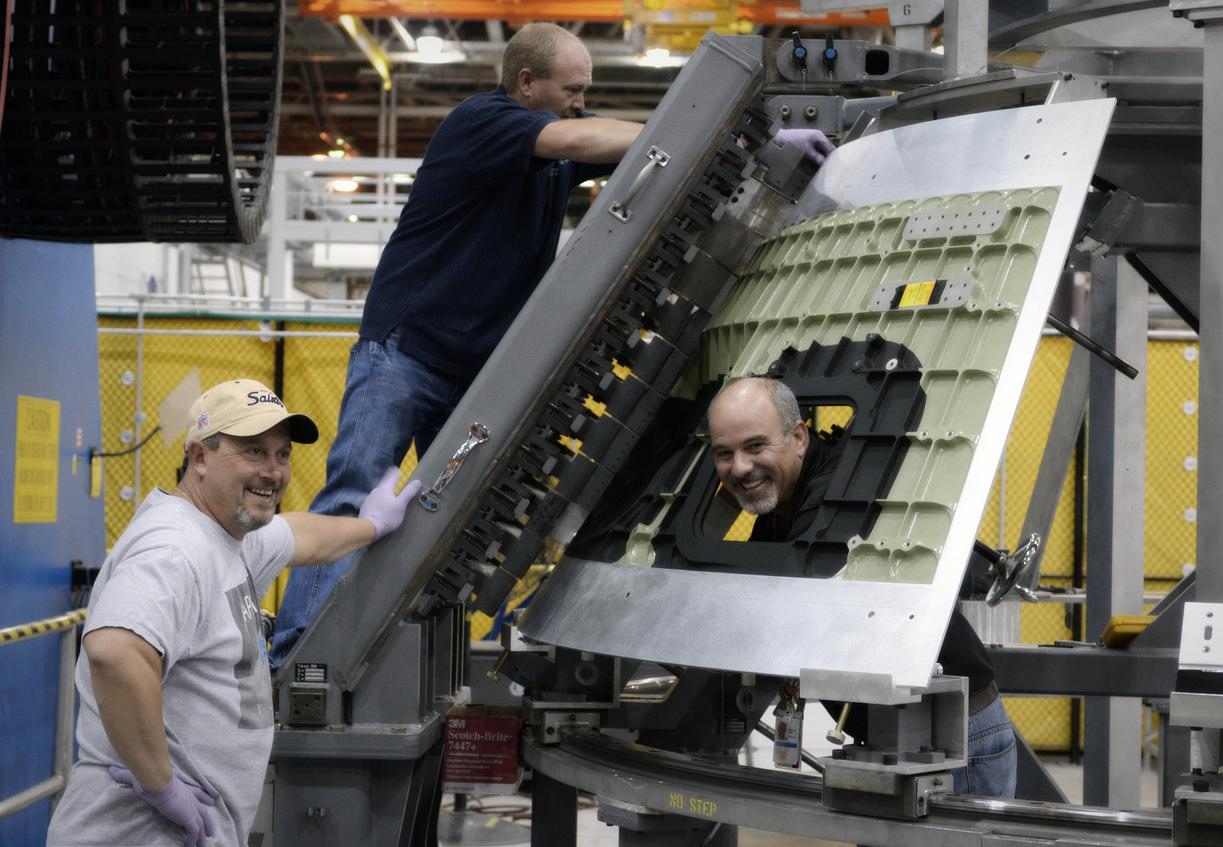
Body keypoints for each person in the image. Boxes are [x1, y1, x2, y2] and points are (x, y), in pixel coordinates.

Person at [269, 21, 835, 667]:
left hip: (473, 372)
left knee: (451, 521)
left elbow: (645, 154)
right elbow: (593, 137)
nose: (580, 101)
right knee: (354, 490)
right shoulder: (482, 122)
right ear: (526, 83)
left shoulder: (551, 153)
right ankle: (290, 659)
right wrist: (706, 134)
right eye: (572, 88)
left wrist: (748, 143)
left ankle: (406, 656)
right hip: (407, 351)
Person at [46, 379, 422, 847]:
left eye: (282, 454)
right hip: (138, 832)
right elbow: (115, 651)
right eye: (253, 452)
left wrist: (371, 525)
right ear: (200, 457)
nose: (273, 472)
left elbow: (300, 535)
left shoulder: (226, 534)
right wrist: (162, 787)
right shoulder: (175, 547)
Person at [706, 376, 1017, 798]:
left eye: (755, 446)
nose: (739, 467)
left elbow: (786, 599)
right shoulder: (779, 509)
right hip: (893, 738)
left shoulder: (838, 491)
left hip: (951, 741)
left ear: (799, 437)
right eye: (724, 453)